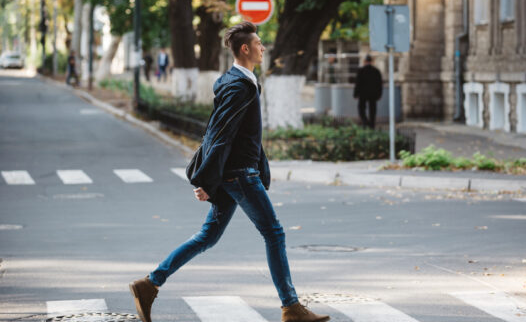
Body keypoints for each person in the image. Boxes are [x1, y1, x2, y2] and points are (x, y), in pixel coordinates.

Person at [129, 22, 330, 322]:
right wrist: (207, 180)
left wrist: (210, 178)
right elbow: (219, 135)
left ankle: (149, 284)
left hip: (234, 173)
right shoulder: (239, 86)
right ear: (245, 49)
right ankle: (291, 307)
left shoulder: (237, 81)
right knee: (274, 234)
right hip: (239, 174)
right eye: (259, 43)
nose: (264, 48)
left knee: (207, 236)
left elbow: (220, 132)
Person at [353, 55, 383, 129]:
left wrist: (355, 93)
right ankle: (371, 125)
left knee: (361, 108)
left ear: (365, 61)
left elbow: (358, 83)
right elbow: (379, 84)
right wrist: (379, 94)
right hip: (373, 94)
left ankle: (365, 121)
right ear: (372, 62)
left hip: (363, 94)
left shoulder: (361, 71)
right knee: (372, 110)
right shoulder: (376, 71)